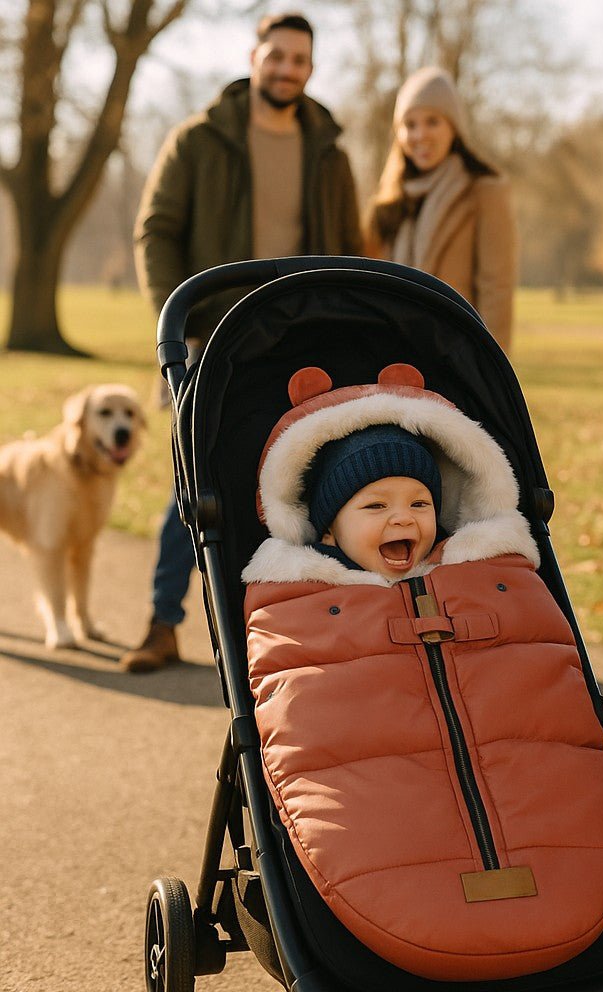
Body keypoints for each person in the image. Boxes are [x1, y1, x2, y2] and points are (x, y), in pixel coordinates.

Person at [239, 363, 603, 981]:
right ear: (329, 527)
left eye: (420, 501)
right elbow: (303, 718)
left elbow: (545, 696)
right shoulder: (300, 601)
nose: (404, 519)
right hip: (384, 811)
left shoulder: (486, 575)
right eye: (375, 505)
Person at [123, 12, 363, 673]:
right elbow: (156, 231)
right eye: (277, 55)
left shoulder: (330, 153)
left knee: (307, 486)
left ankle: (307, 637)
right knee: (195, 487)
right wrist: (180, 326)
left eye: (300, 60)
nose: (287, 68)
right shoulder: (199, 140)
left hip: (300, 346)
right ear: (254, 56)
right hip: (210, 339)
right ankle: (162, 624)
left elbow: (347, 248)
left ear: (310, 70)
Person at [365, 67, 517, 352]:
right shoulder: (388, 201)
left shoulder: (485, 190)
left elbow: (496, 290)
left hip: (455, 356)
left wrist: (492, 374)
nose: (420, 135)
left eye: (432, 121)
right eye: (410, 125)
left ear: (453, 126)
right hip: (391, 355)